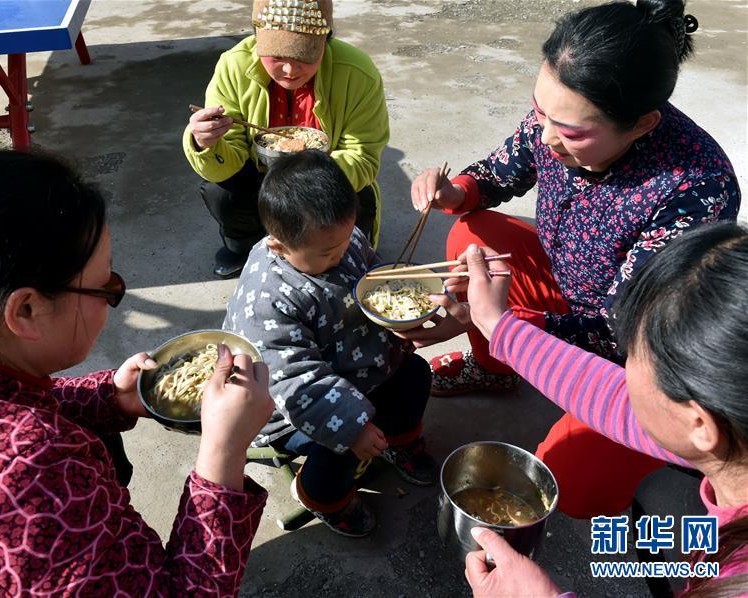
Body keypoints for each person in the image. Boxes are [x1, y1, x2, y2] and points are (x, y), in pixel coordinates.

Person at [0, 151, 274, 596]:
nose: (114, 297)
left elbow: (4, 401)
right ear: (26, 309)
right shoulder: (35, 476)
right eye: (106, 287)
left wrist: (108, 396)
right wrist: (223, 453)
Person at [403, 0, 741, 519]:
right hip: (567, 275)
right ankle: (497, 369)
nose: (545, 138)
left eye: (571, 132)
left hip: (628, 347)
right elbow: (504, 167)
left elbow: (627, 336)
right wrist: (458, 191)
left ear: (642, 124)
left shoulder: (695, 188)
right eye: (540, 112)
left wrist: (495, 321)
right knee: (473, 234)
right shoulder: (561, 115)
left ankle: (639, 484)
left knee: (570, 484)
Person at [453, 223, 748, 597]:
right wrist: (497, 327)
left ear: (699, 423)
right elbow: (615, 400)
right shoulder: (730, 432)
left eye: (633, 356)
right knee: (660, 498)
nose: (621, 370)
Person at [224, 151, 435, 537]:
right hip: (293, 405)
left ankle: (401, 442)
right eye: (328, 254)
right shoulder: (270, 297)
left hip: (356, 361)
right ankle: (322, 496)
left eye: (345, 242)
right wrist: (353, 428)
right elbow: (294, 380)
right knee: (343, 440)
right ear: (279, 247)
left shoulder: (338, 235)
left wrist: (400, 310)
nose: (341, 255)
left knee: (416, 375)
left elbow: (370, 274)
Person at [184, 0, 389, 278]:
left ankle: (334, 254)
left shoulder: (357, 72)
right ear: (257, 39)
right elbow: (226, 159)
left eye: (304, 55)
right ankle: (244, 243)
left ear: (326, 40)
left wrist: (309, 181)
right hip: (260, 177)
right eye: (277, 55)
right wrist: (206, 143)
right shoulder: (234, 65)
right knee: (221, 191)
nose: (290, 71)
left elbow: (361, 156)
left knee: (352, 209)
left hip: (328, 179)